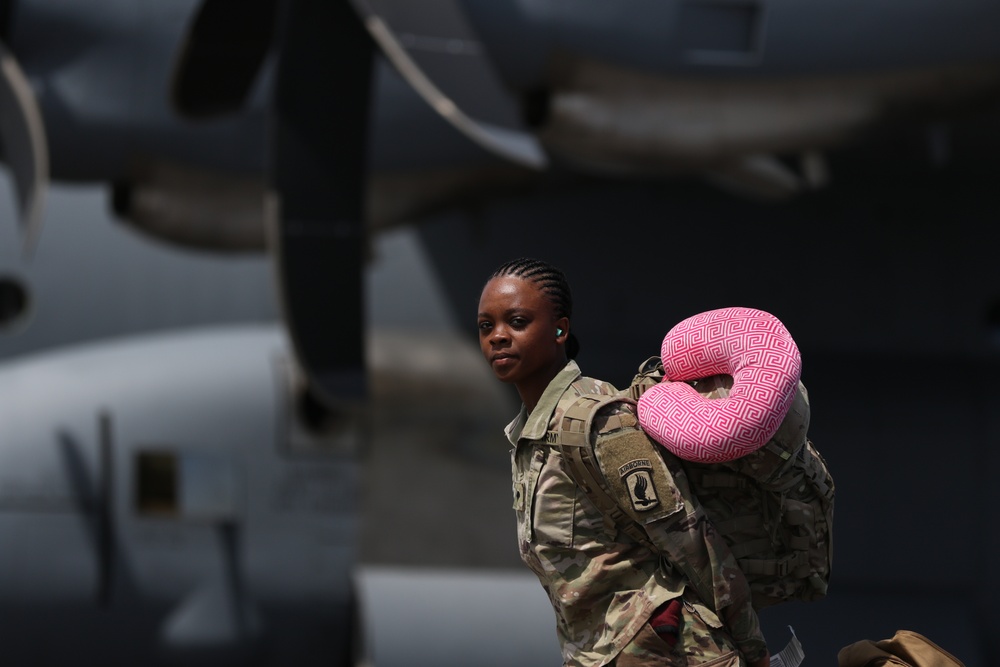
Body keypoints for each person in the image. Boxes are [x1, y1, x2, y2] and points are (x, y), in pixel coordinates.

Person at [477, 257, 770, 667]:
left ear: (560, 329)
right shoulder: (529, 435)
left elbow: (691, 541)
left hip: (664, 647)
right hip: (596, 654)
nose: (498, 337)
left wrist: (753, 650)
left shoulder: (596, 421)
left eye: (518, 321)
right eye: (486, 326)